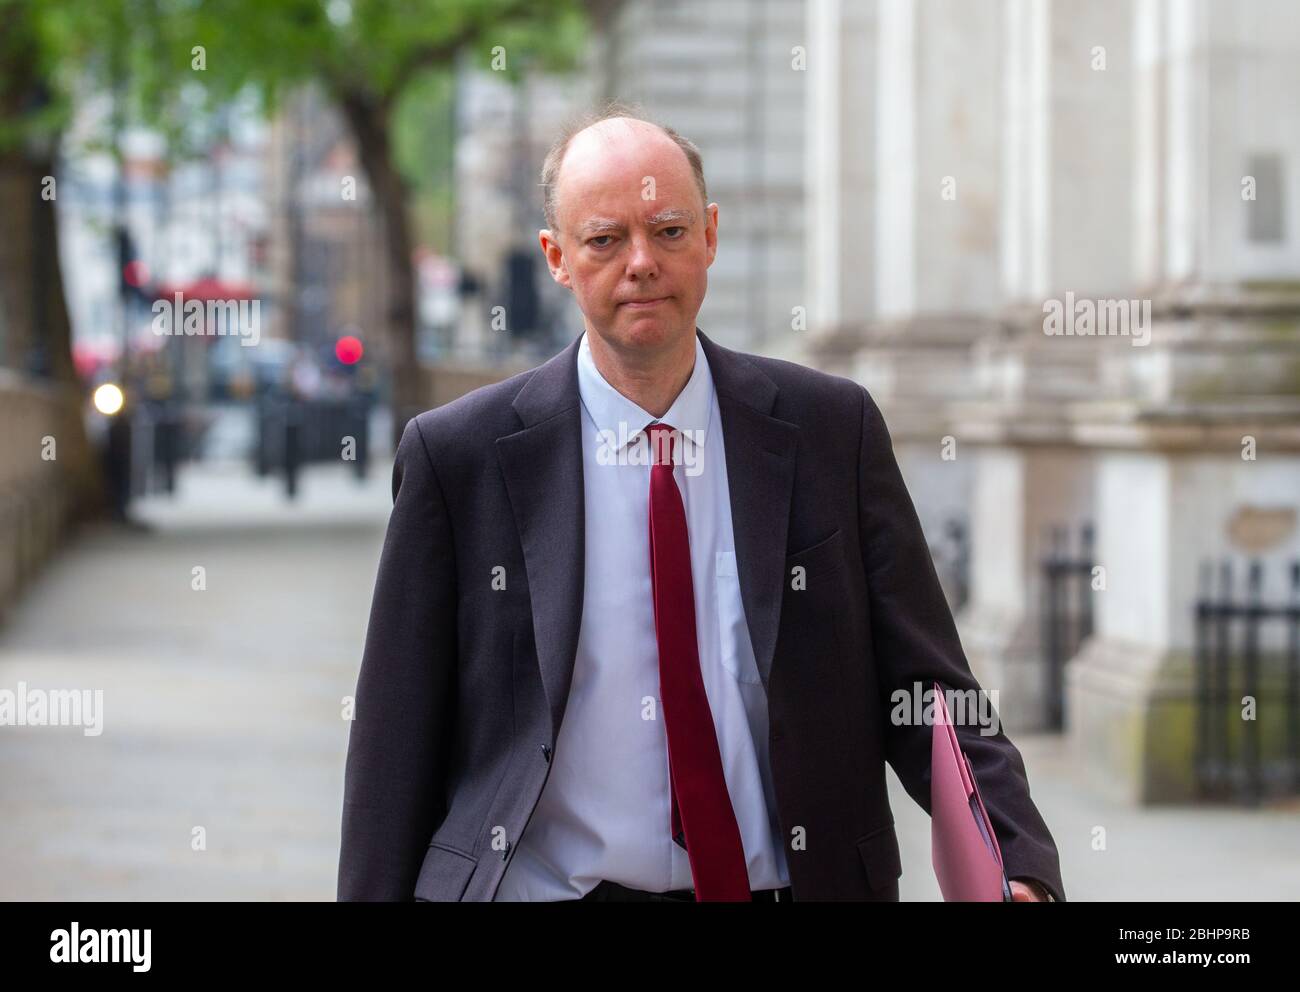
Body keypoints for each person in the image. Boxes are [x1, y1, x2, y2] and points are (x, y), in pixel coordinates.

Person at [337, 104, 1063, 903]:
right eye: (606, 240)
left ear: (711, 235)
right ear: (557, 258)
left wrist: (1015, 863)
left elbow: (929, 688)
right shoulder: (459, 459)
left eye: (670, 231)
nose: (642, 262)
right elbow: (392, 747)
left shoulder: (830, 431)